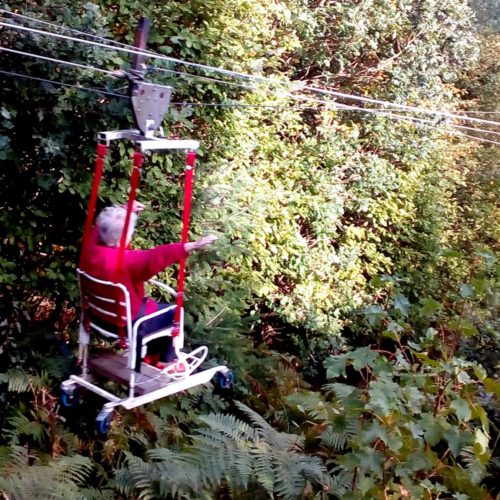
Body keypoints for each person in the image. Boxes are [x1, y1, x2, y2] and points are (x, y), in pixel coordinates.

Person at [82, 201, 216, 370]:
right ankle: (167, 361)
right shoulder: (126, 262)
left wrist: (125, 210)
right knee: (173, 312)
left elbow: (100, 227)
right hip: (126, 326)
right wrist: (193, 245)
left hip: (98, 318)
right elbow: (156, 256)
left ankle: (150, 356)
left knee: (156, 310)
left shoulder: (90, 248)